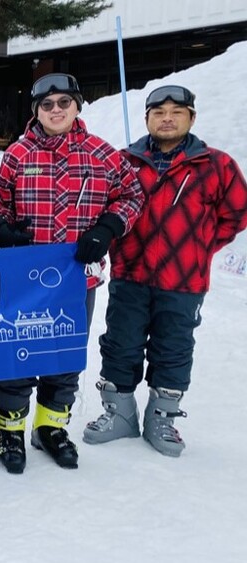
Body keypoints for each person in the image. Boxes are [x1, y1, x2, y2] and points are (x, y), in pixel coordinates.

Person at [0, 73, 144, 474]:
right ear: (36, 111)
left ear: (76, 105)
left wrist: (108, 226)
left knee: (64, 357)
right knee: (19, 357)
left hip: (78, 279)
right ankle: (11, 430)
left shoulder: (102, 154)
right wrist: (3, 227)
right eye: (47, 104)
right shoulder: (18, 155)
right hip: (25, 279)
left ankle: (51, 427)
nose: (56, 110)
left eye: (63, 103)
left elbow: (132, 195)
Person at [84, 85, 247, 456]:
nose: (167, 118)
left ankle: (162, 416)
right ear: (147, 119)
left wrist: (201, 245)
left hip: (184, 280)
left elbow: (236, 214)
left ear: (191, 118)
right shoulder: (126, 161)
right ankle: (119, 412)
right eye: (159, 112)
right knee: (120, 343)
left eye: (176, 111)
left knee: (173, 347)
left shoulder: (215, 165)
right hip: (131, 273)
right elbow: (107, 208)